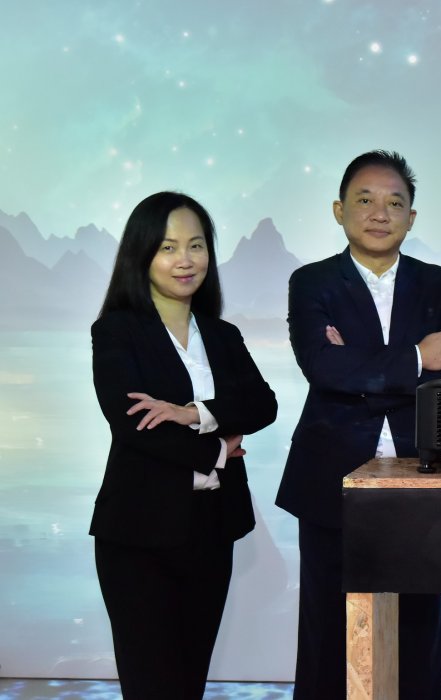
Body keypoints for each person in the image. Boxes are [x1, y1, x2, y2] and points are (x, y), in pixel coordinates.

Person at [276, 150, 441, 699]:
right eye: (365, 200)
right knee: (327, 624)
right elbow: (322, 366)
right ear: (339, 210)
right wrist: (417, 357)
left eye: (395, 203)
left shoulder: (439, 284)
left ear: (412, 218)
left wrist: (360, 363)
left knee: (417, 623)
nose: (379, 213)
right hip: (329, 477)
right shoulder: (312, 281)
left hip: (419, 473)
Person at [90, 192, 278, 699]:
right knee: (150, 683)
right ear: (142, 254)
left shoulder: (222, 334)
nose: (185, 259)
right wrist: (216, 452)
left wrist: (193, 413)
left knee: (189, 680)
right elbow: (134, 423)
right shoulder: (116, 331)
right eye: (168, 247)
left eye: (196, 245)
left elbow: (262, 405)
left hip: (212, 527)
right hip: (137, 533)